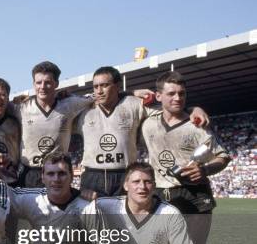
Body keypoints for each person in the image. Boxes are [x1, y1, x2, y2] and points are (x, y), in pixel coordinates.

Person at [141, 71, 230, 244]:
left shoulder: (197, 126)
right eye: (171, 93)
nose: (177, 98)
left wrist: (205, 169)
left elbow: (222, 157)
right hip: (161, 193)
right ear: (158, 96)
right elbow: (120, 100)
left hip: (195, 193)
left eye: (182, 94)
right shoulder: (148, 122)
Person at [77, 66, 209, 199]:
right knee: (91, 219)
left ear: (117, 86)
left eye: (105, 85)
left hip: (125, 174)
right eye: (96, 86)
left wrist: (193, 109)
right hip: (92, 176)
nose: (99, 91)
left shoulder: (134, 104)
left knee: (126, 218)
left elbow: (169, 109)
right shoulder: (83, 108)